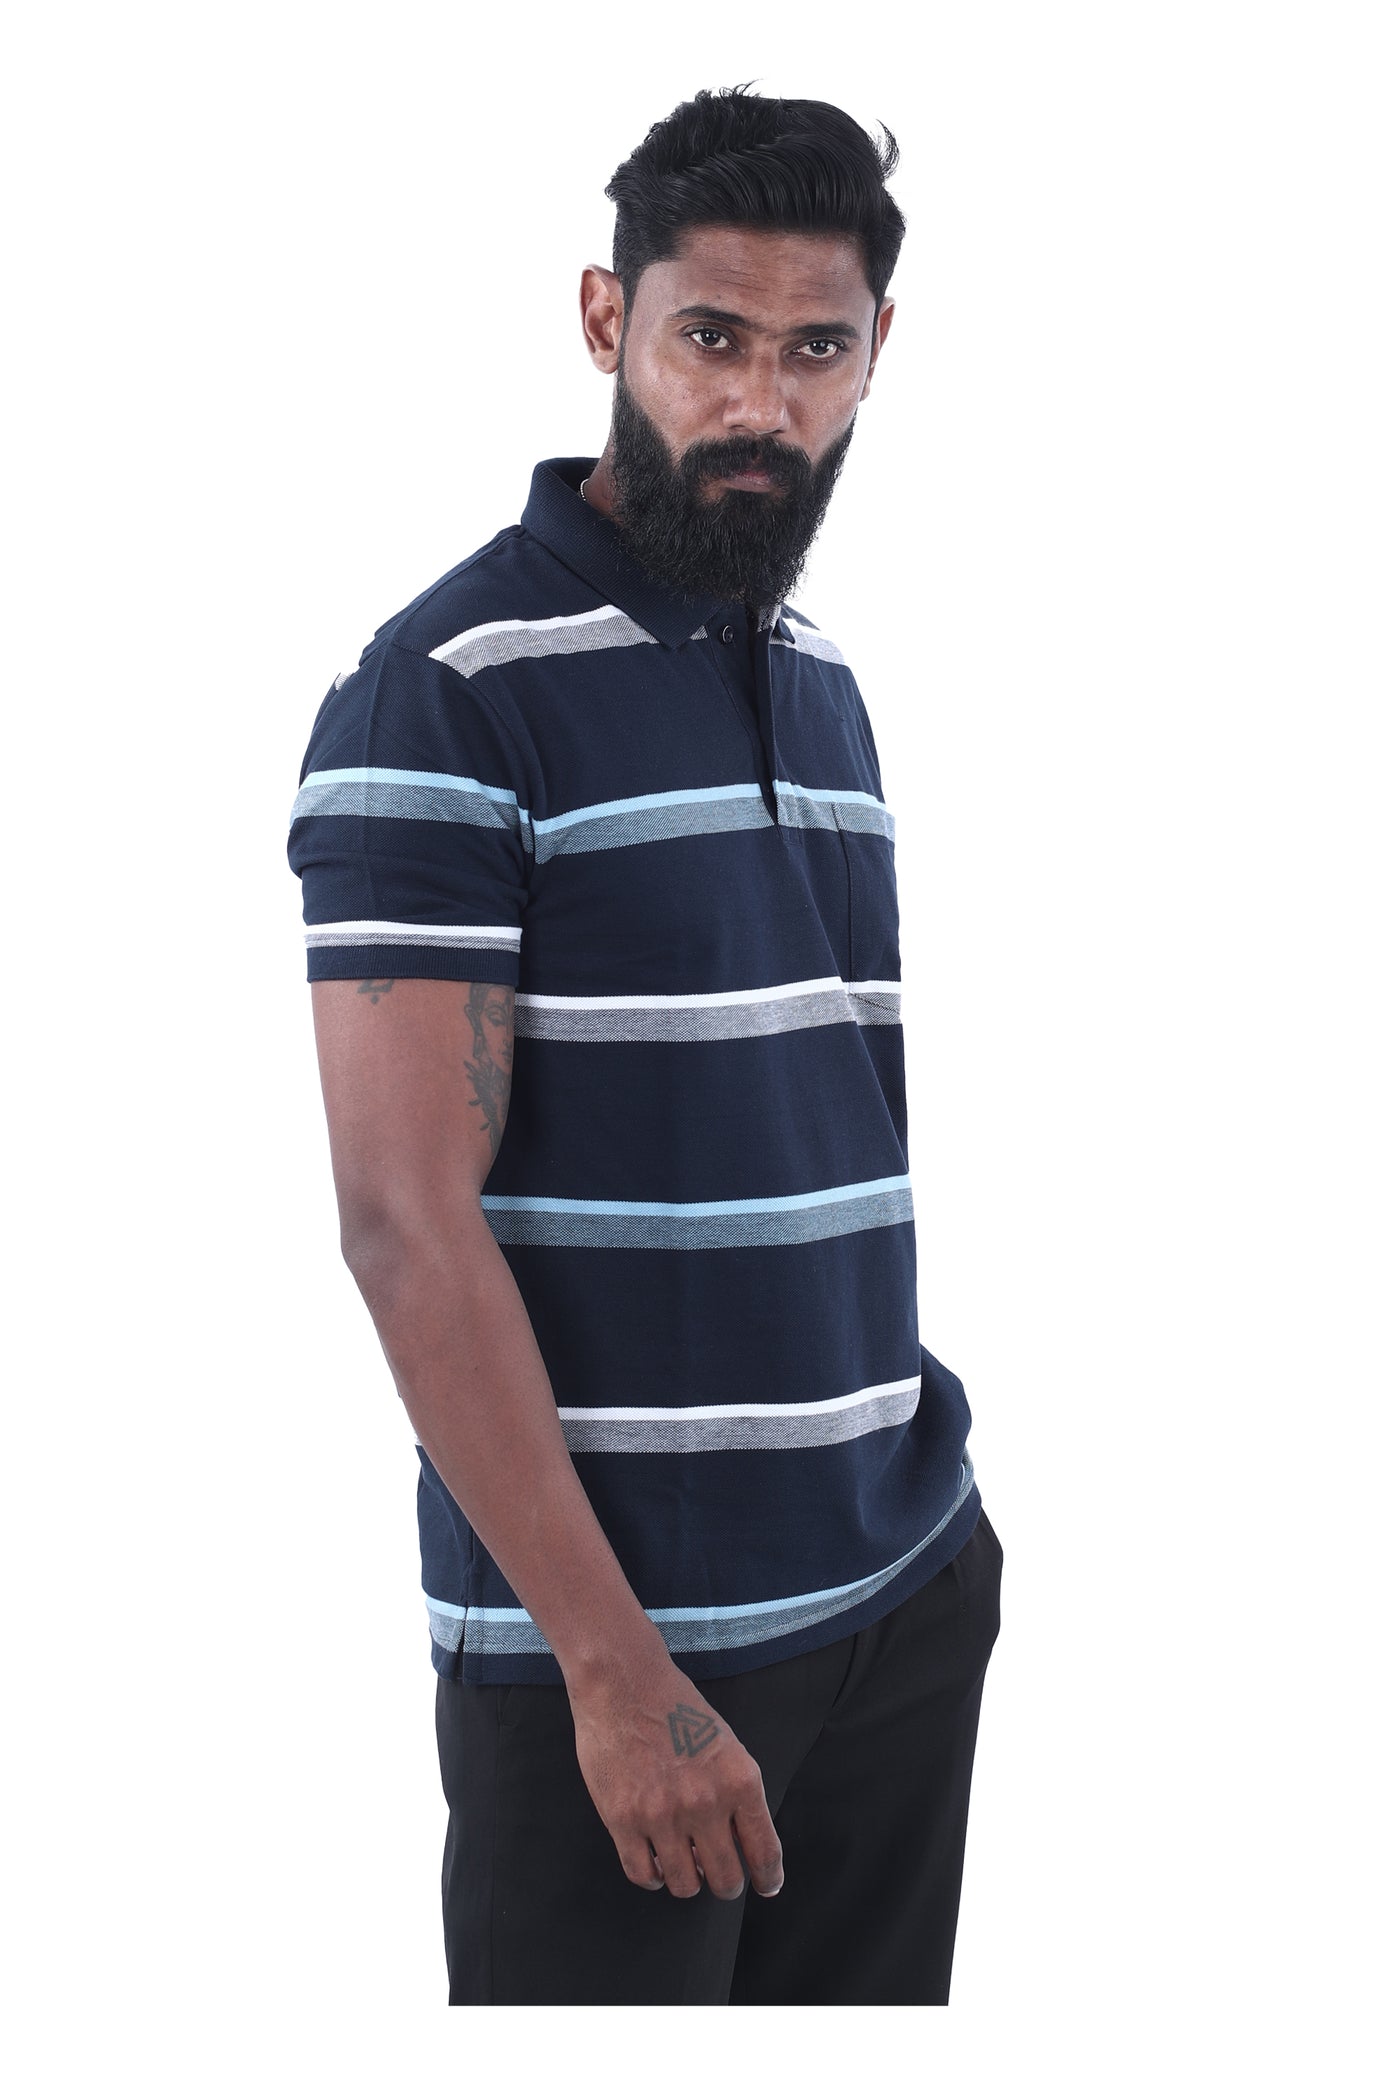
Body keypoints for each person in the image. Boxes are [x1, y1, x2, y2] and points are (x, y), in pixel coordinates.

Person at [288, 82, 1003, 2007]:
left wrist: (935, 1547)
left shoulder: (820, 678)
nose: (760, 403)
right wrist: (617, 1677)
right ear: (609, 318)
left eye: (814, 350)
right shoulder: (444, 694)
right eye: (711, 337)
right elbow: (401, 1224)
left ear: (876, 350)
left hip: (896, 1596)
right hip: (625, 1664)